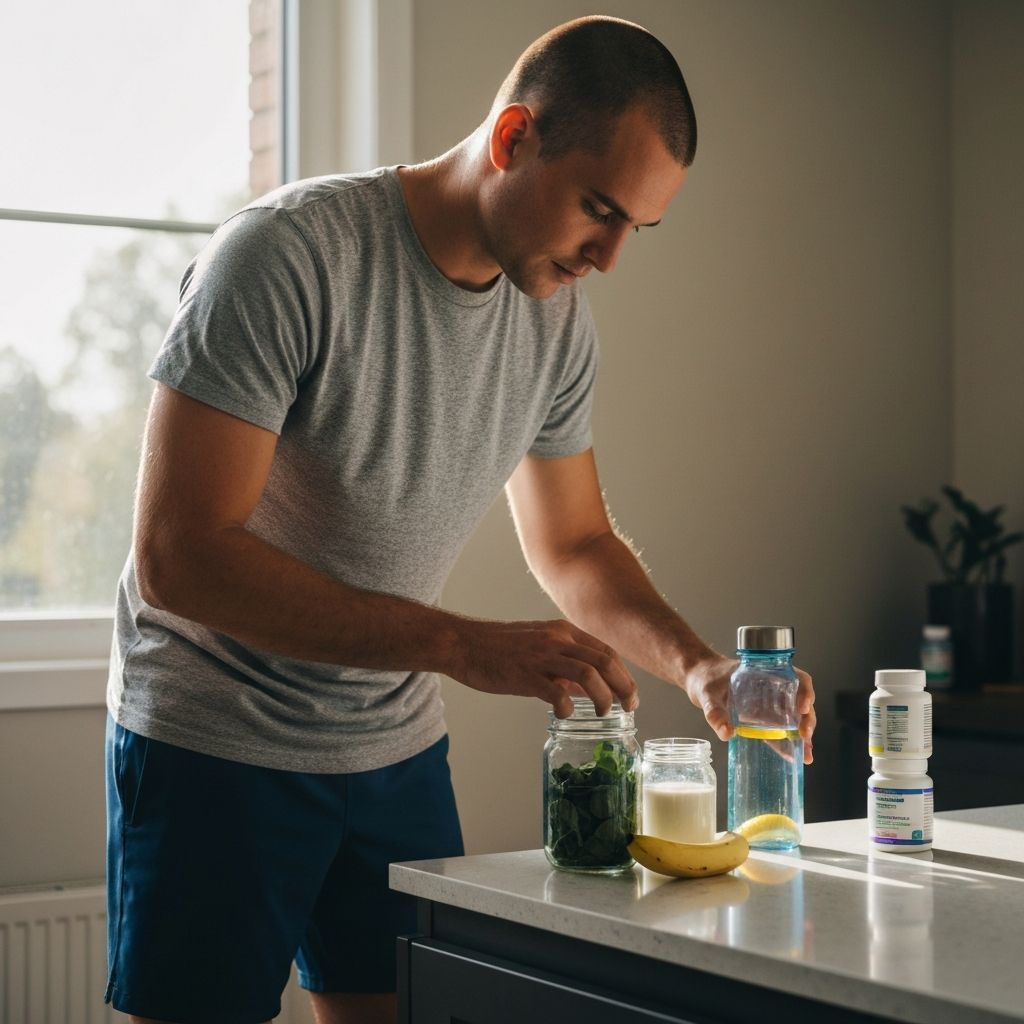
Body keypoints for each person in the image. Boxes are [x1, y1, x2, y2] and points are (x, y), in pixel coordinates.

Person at [105, 14, 816, 1024]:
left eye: (635, 230)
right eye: (597, 210)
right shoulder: (284, 256)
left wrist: (698, 666)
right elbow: (181, 557)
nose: (608, 257)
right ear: (512, 137)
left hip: (391, 752)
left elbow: (571, 544)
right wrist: (456, 644)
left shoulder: (557, 321)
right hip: (214, 740)